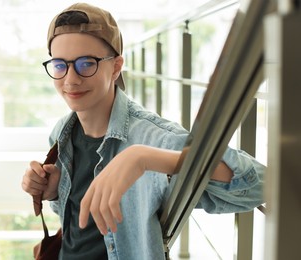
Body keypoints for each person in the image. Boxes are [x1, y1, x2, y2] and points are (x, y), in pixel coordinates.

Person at [21, 3, 265, 260]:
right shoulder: (62, 132)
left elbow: (261, 185)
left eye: (86, 63)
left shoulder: (153, 138)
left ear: (115, 67)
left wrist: (143, 159)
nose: (70, 79)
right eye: (60, 65)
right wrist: (53, 191)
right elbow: (76, 226)